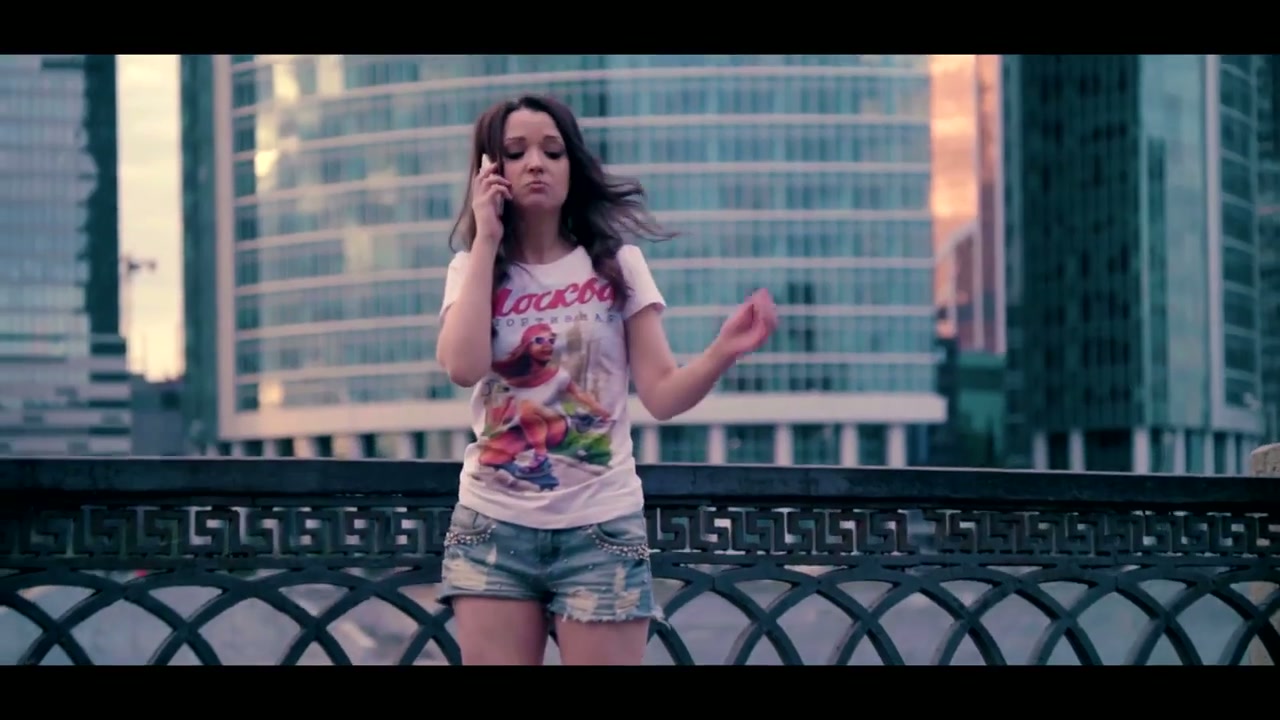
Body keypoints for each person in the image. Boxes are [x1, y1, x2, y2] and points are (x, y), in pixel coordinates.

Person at [434, 94, 778, 665]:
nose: (536, 164)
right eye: (516, 152)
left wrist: (723, 350)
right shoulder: (472, 270)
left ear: (574, 166)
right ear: (489, 171)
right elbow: (462, 367)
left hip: (600, 528)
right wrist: (487, 239)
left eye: (553, 151)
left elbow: (662, 394)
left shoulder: (617, 264)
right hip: (492, 525)